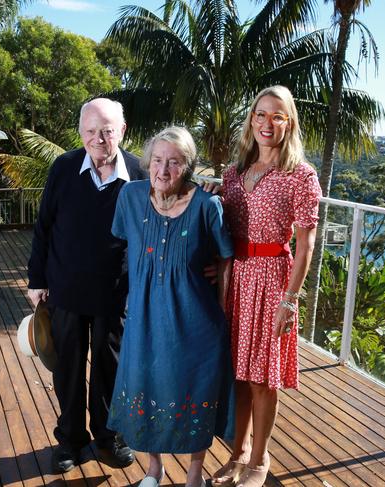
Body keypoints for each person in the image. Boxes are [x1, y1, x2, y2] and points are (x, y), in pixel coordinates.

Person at [107, 126, 235, 487]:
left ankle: (195, 472)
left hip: (196, 322)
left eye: (174, 163)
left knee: (197, 389)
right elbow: (123, 246)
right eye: (158, 161)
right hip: (145, 319)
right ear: (148, 162)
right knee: (146, 384)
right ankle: (154, 469)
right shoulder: (130, 197)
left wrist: (222, 310)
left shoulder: (208, 206)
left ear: (188, 167)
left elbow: (226, 258)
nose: (164, 171)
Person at [27, 98, 146, 473]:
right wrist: (37, 280)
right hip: (65, 287)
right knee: (68, 368)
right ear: (80, 132)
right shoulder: (63, 168)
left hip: (116, 291)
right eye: (91, 131)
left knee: (111, 368)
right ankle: (71, 440)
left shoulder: (142, 173)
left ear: (122, 131)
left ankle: (108, 439)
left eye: (107, 130)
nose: (99, 138)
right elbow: (44, 226)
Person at [214, 86, 322, 487]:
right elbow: (219, 226)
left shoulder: (300, 175)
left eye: (277, 116)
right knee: (238, 374)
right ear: (251, 120)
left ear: (288, 122)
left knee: (262, 376)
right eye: (260, 114)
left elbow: (306, 243)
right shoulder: (234, 172)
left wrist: (290, 300)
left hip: (272, 279)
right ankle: (237, 453)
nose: (267, 123)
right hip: (236, 279)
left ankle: (260, 458)